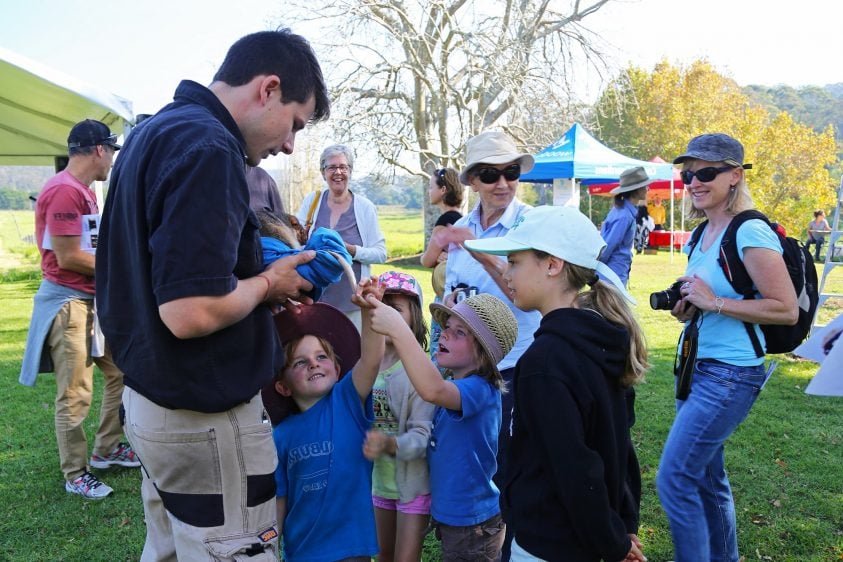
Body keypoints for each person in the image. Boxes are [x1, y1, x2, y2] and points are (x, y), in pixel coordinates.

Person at [96, 30, 330, 560]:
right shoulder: (210, 149)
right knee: (233, 547)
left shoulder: (156, 131)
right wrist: (272, 282)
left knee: (174, 549)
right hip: (202, 419)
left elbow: (168, 280)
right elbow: (190, 310)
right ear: (268, 88)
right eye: (295, 122)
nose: (290, 144)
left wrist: (252, 287)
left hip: (155, 403)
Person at [465, 205, 648, 562]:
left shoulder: (544, 362)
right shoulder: (603, 341)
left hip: (548, 544)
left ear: (552, 265)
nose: (507, 272)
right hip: (589, 538)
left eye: (515, 261)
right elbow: (619, 449)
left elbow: (574, 466)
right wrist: (621, 527)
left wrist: (614, 541)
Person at [658, 133, 797, 562]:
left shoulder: (750, 229)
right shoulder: (700, 234)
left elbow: (785, 309)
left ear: (735, 175)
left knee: (676, 478)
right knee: (705, 480)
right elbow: (706, 297)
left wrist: (715, 302)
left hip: (731, 373)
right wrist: (689, 309)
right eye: (688, 174)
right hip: (696, 367)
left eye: (706, 173)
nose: (694, 182)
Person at [19, 119, 138, 500]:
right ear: (99, 150)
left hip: (89, 300)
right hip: (69, 303)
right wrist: (121, 266)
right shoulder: (64, 191)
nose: (112, 162)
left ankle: (106, 449)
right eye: (111, 153)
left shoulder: (83, 191)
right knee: (75, 394)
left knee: (120, 372)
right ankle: (75, 472)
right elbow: (70, 257)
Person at [367, 292, 517, 562]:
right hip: (455, 517)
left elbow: (432, 390)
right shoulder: (456, 381)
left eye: (459, 333)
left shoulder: (479, 390)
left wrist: (399, 329)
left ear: (483, 354)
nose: (445, 334)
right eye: (446, 327)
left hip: (474, 525)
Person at [272, 283, 386, 562]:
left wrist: (369, 310)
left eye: (321, 356)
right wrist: (270, 548)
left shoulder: (346, 400)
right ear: (283, 387)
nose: (313, 364)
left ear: (336, 370)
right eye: (299, 362)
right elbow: (280, 498)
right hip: (302, 552)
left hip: (350, 548)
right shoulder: (281, 434)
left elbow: (371, 359)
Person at [362, 271, 434, 562]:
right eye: (382, 306)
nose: (387, 314)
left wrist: (390, 445)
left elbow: (423, 435)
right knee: (383, 557)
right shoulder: (367, 364)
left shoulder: (419, 371)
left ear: (414, 317)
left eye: (397, 308)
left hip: (413, 485)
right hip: (379, 483)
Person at [297, 144, 387, 329]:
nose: (338, 172)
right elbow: (296, 243)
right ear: (323, 173)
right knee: (318, 353)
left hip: (351, 302)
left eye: (343, 167)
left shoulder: (364, 207)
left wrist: (351, 250)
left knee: (351, 354)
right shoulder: (312, 202)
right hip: (314, 299)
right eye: (331, 167)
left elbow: (381, 253)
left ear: (350, 171)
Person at [420, 167, 464, 359]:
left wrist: (435, 257)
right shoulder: (463, 219)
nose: (429, 191)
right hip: (461, 294)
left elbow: (426, 260)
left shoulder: (445, 221)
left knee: (440, 349)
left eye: (431, 187)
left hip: (445, 296)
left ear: (443, 190)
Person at [599, 166, 651, 287]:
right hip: (612, 275)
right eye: (644, 186)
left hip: (612, 273)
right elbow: (608, 246)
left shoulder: (622, 211)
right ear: (636, 189)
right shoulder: (624, 216)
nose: (647, 189)